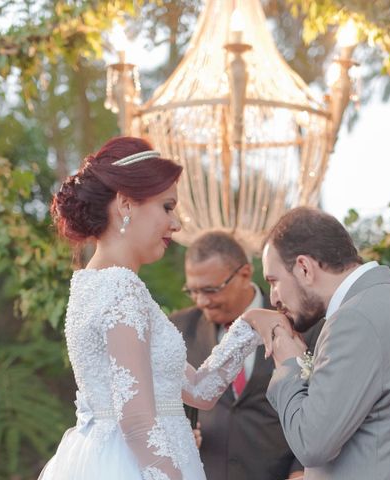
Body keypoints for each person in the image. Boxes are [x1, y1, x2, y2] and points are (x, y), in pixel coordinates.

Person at [40, 137, 262, 480]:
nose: (176, 224)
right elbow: (138, 420)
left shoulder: (92, 284)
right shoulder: (120, 289)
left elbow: (199, 392)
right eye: (167, 207)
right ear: (126, 205)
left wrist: (249, 327)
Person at [243, 207, 390, 480]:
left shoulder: (355, 321)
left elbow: (311, 444)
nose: (274, 298)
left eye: (274, 281)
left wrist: (289, 365)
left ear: (304, 267)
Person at [172, 231, 325, 480]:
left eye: (211, 290)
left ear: (244, 274)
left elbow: (319, 403)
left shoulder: (300, 323)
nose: (202, 301)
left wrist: (300, 470)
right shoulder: (178, 329)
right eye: (193, 291)